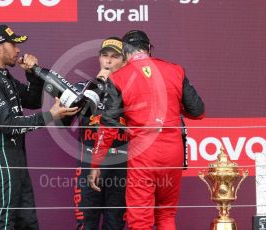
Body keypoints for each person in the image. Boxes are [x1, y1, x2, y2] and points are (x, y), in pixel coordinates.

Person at [88, 30, 205, 230]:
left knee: (140, 221)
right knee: (166, 215)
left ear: (124, 54)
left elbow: (108, 126)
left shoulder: (119, 78)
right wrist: (174, 103)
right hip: (173, 154)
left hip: (143, 156)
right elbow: (198, 111)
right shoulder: (175, 70)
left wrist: (96, 163)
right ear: (149, 49)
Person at [0, 24, 79, 230]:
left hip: (15, 159)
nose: (18, 50)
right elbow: (8, 124)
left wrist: (31, 75)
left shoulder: (2, 76)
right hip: (0, 158)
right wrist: (50, 116)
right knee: (1, 224)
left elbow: (32, 100)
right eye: (14, 44)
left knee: (27, 223)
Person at [57, 37, 128, 230]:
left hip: (121, 169)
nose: (108, 61)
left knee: (115, 226)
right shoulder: (83, 88)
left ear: (124, 61)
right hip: (88, 167)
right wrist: (96, 86)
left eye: (114, 57)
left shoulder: (131, 91)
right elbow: (61, 124)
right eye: (104, 56)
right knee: (86, 225)